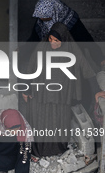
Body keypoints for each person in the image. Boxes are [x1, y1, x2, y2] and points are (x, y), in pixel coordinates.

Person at [23, 22, 99, 157]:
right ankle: (38, 150)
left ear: (63, 39)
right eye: (50, 39)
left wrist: (97, 90)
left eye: (56, 40)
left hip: (61, 94)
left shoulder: (72, 48)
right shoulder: (42, 46)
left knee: (58, 121)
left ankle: (56, 149)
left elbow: (86, 69)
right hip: (41, 93)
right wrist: (26, 89)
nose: (52, 43)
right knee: (40, 121)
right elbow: (31, 67)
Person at [24, 0, 104, 68]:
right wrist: (21, 51)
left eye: (45, 17)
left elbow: (86, 40)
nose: (41, 19)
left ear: (54, 12)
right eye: (40, 17)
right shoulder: (41, 21)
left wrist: (100, 60)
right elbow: (34, 39)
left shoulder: (71, 21)